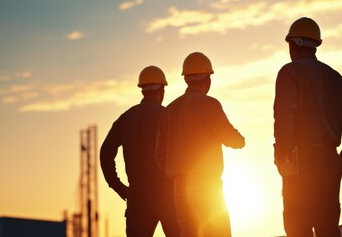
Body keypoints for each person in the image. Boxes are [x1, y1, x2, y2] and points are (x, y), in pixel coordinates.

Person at [273, 17, 342, 237]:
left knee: (298, 227)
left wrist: (281, 154)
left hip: (300, 162)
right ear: (315, 45)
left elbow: (283, 117)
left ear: (292, 44)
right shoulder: (336, 78)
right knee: (327, 228)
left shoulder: (289, 72)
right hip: (329, 162)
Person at [155, 52, 245, 237]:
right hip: (207, 184)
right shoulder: (209, 104)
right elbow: (230, 138)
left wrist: (175, 174)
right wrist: (240, 140)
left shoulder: (169, 110)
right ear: (207, 79)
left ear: (186, 79)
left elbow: (159, 154)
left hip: (179, 187)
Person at [100, 66, 180, 237]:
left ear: (142, 91)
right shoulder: (169, 116)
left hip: (138, 195)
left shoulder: (127, 118)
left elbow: (105, 152)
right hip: (167, 193)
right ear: (161, 90)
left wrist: (119, 187)